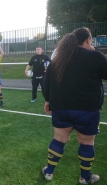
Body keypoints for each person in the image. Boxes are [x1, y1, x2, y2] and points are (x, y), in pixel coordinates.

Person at [42, 27, 107, 184]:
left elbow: (46, 83)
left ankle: (49, 172)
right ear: (88, 39)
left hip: (60, 108)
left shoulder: (58, 59)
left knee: (59, 139)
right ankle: (85, 177)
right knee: (86, 142)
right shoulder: (95, 56)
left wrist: (47, 101)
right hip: (87, 109)